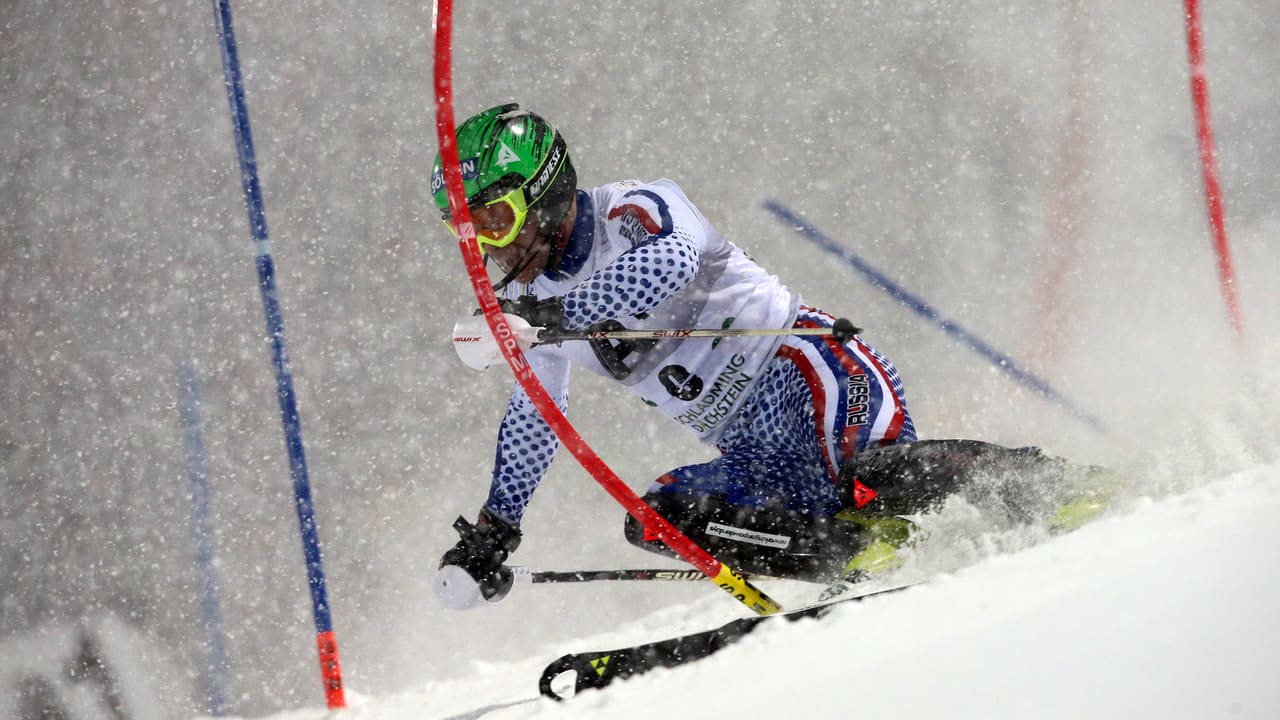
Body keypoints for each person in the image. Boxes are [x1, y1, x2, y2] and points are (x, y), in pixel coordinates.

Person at [430, 103, 1107, 610]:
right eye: (474, 232)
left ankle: (1054, 487)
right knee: (658, 518)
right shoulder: (535, 305)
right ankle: (855, 557)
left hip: (805, 370)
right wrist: (496, 526)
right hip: (749, 446)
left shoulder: (634, 210)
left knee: (863, 477)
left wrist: (545, 319)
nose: (494, 250)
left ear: (544, 195)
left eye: (498, 222)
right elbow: (535, 417)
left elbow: (667, 265)